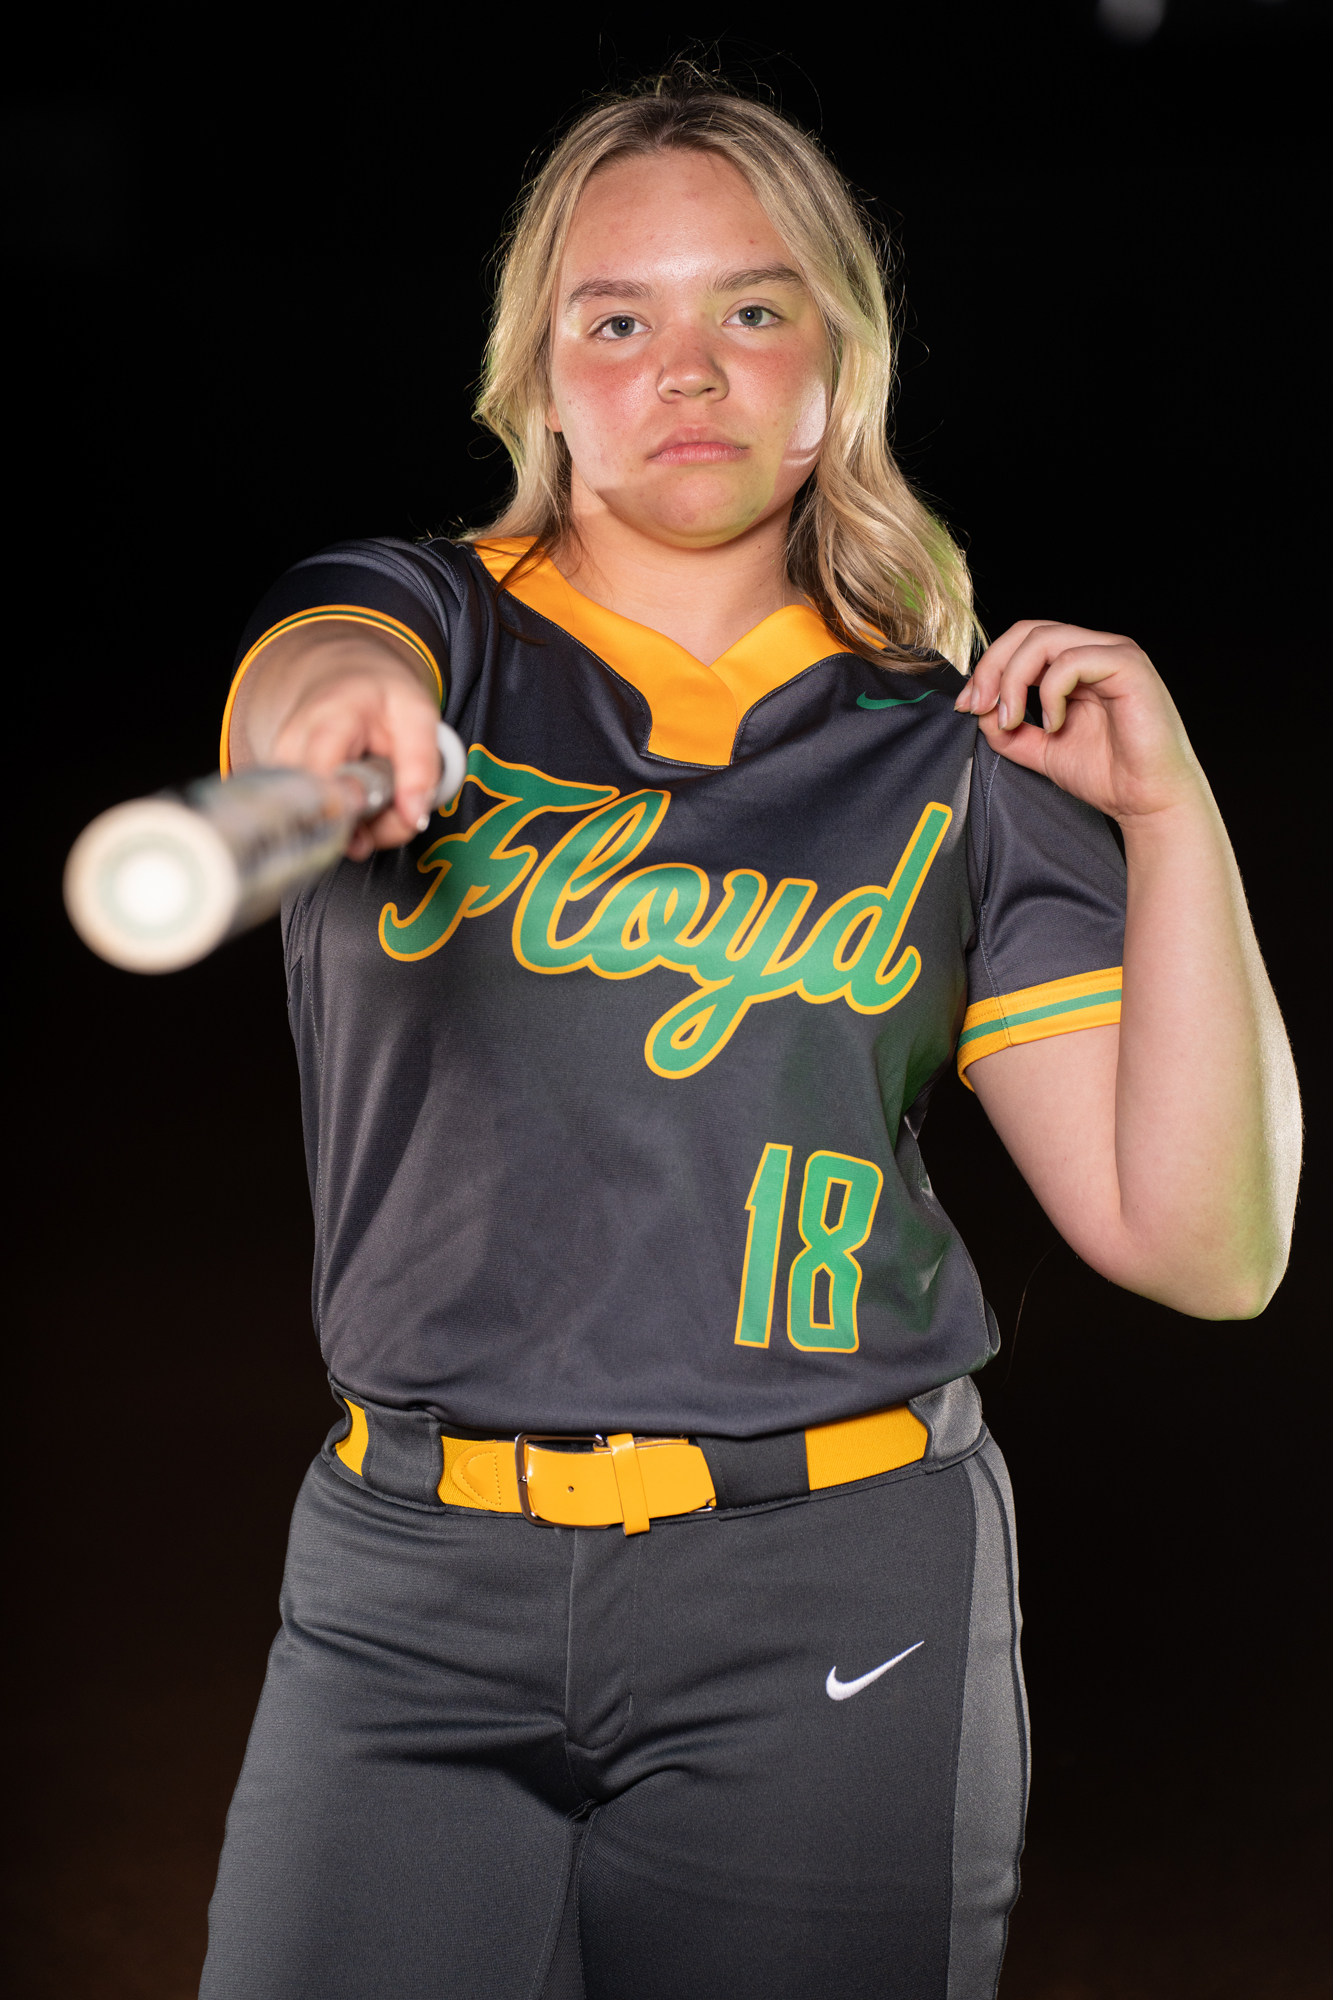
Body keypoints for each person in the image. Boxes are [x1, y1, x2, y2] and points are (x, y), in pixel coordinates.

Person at [198, 75, 1301, 2000]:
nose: (684, 370)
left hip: (836, 1581)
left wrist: (1171, 815)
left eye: (752, 308)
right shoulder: (417, 628)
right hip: (409, 1581)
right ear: (538, 377)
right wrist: (342, 723)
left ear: (837, 363)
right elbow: (317, 675)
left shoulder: (959, 753)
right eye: (616, 318)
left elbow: (1206, 1247)